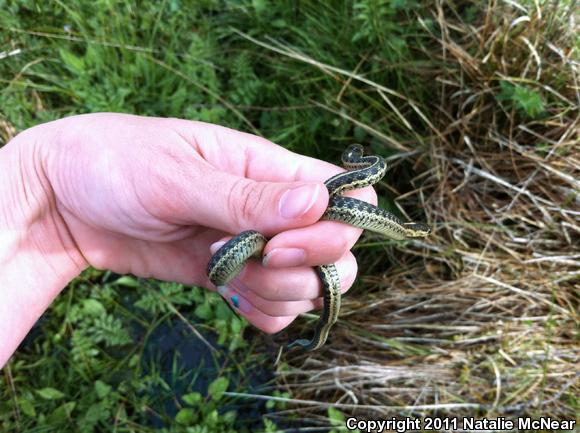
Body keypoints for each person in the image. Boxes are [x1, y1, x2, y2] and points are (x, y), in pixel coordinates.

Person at [0, 113, 376, 368]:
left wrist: (43, 182)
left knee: (307, 265)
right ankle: (311, 332)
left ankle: (312, 332)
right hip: (235, 244)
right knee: (304, 262)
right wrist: (42, 183)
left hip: (72, 223)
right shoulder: (352, 174)